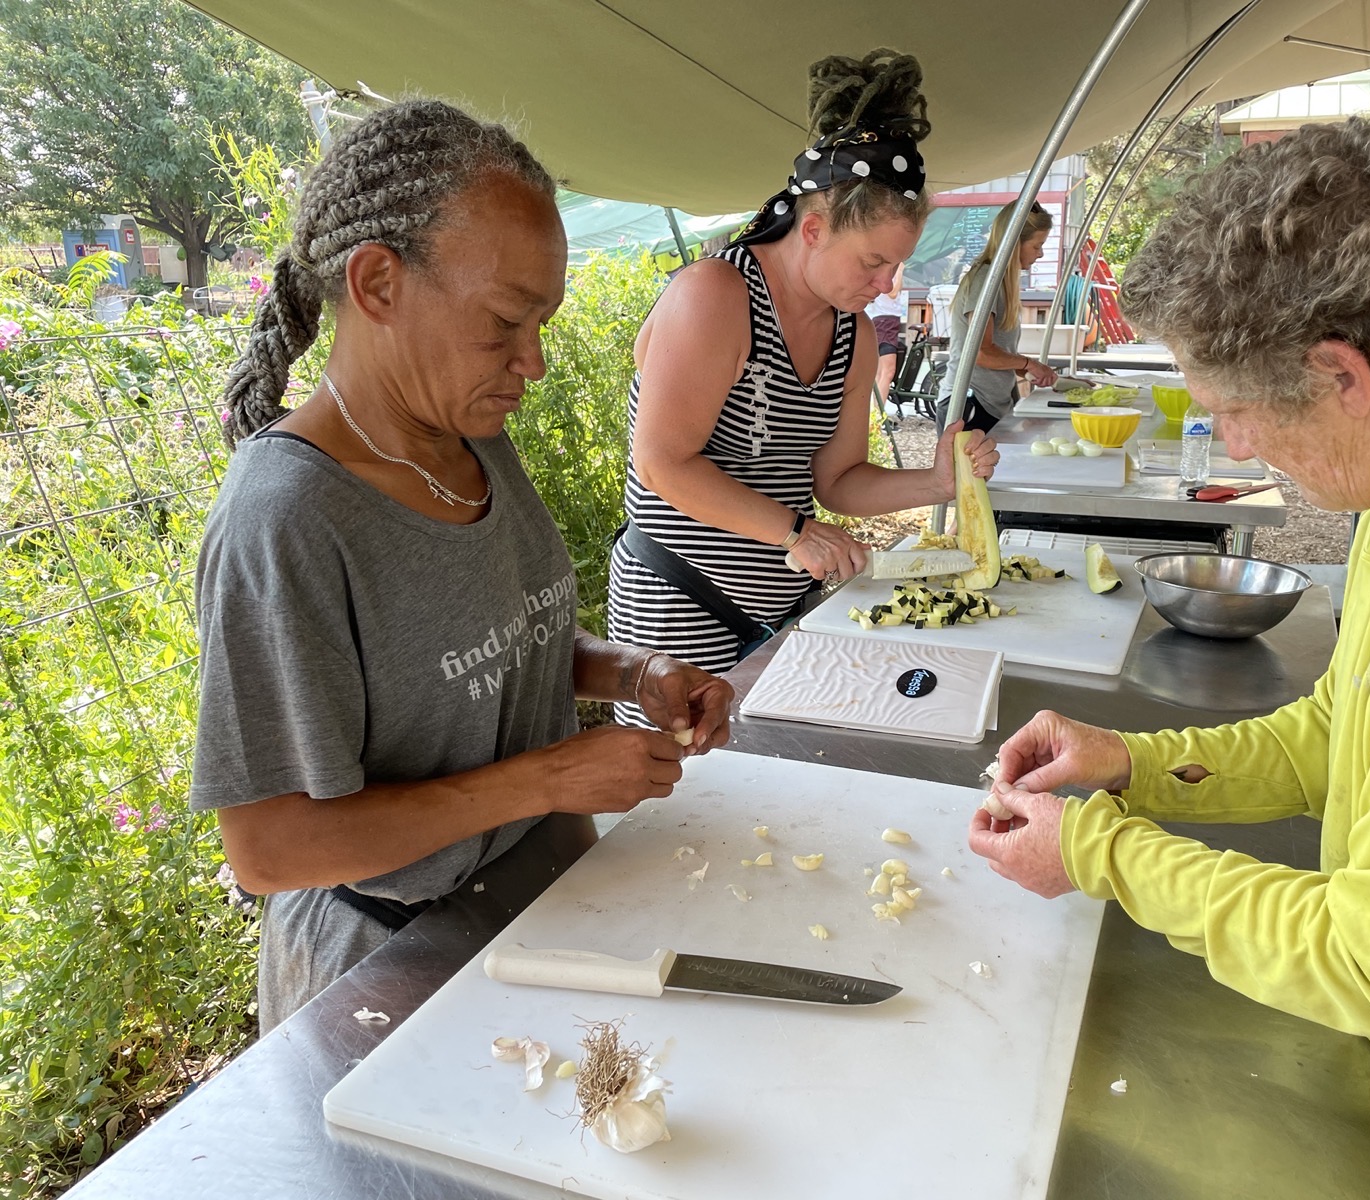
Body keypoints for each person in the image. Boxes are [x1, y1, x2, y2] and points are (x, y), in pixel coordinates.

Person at [967, 109, 1370, 1200]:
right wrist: (1134, 764)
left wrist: (1100, 855)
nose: (1240, 446)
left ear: (1341, 374)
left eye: (1235, 414)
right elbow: (1350, 722)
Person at [190, 100, 733, 1032]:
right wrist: (548, 780)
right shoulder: (286, 519)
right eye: (505, 323)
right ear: (376, 284)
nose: (536, 362)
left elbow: (501, 638)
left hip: (541, 891)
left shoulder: (472, 434)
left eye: (544, 323)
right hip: (393, 966)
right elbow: (269, 847)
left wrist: (634, 672)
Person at [606, 49, 999, 726]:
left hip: (780, 612)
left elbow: (838, 481)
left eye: (896, 266)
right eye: (874, 262)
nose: (886, 286)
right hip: (679, 610)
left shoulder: (854, 336)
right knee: (674, 799)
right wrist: (793, 532)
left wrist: (937, 483)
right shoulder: (716, 296)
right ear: (812, 228)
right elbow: (661, 461)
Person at [935, 200, 1058, 433]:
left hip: (990, 405)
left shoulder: (1002, 282)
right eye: (1037, 245)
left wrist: (1032, 370)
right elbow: (980, 352)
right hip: (969, 406)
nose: (1040, 254)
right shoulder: (985, 280)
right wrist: (1028, 363)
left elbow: (999, 354)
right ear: (1014, 244)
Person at [865, 262, 907, 408]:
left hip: (886, 320)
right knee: (888, 371)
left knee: (881, 372)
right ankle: (878, 414)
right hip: (885, 321)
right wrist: (900, 270)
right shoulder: (889, 270)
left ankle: (875, 413)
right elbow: (892, 293)